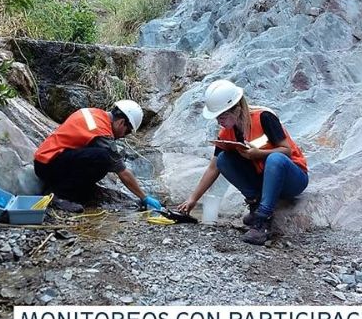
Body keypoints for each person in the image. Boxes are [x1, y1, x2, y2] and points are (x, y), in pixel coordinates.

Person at [177, 80, 308, 245]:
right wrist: (193, 199)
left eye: (222, 116)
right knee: (224, 159)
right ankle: (256, 205)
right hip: (263, 179)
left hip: (292, 178)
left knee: (275, 159)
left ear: (237, 110)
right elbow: (214, 166)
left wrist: (258, 154)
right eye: (217, 117)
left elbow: (286, 151)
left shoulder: (264, 117)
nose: (219, 121)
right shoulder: (226, 133)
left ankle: (263, 220)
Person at [34, 100, 162, 213]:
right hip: (48, 165)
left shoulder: (93, 113)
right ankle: (60, 196)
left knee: (97, 156)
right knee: (103, 158)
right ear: (121, 122)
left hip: (46, 160)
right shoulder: (101, 132)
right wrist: (143, 197)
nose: (124, 136)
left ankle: (63, 188)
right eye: (127, 131)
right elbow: (122, 171)